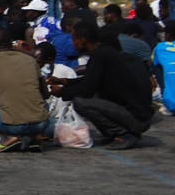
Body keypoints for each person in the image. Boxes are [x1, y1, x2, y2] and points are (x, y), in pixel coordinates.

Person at [49, 21, 154, 149]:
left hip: (137, 118)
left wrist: (61, 92)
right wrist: (64, 81)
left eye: (74, 39)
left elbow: (87, 89)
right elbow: (90, 80)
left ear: (83, 40)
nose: (73, 43)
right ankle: (114, 133)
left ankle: (124, 133)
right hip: (137, 114)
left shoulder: (101, 55)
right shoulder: (103, 53)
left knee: (80, 102)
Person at [152, 21, 175, 115]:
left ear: (168, 35)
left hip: (172, 105)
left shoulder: (160, 47)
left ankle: (165, 93)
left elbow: (152, 66)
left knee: (157, 66)